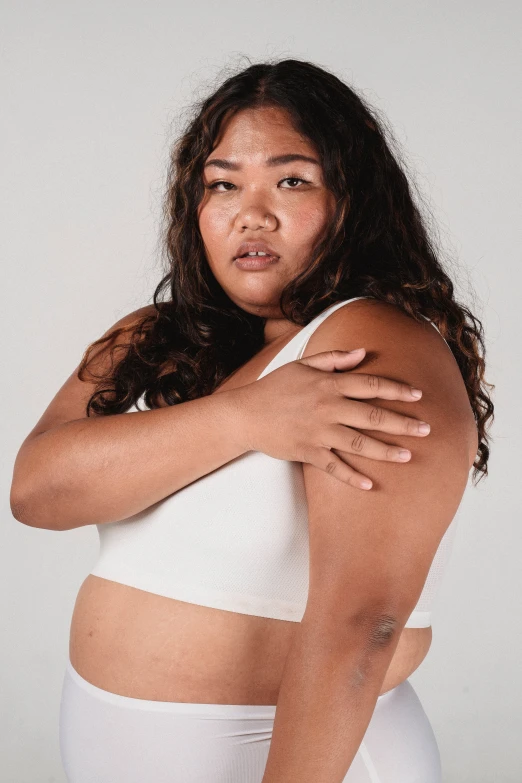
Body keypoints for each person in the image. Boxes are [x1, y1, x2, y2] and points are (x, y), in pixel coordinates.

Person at [11, 58, 493, 782]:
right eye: (223, 183)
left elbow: (362, 626)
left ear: (353, 199)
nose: (251, 212)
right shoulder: (155, 337)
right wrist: (244, 418)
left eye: (292, 180)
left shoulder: (368, 342)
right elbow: (36, 491)